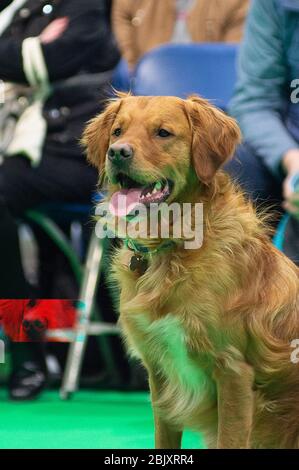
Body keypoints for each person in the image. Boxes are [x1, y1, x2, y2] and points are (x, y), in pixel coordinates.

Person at [0, 0, 119, 400]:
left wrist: (25, 54)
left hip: (67, 154)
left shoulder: (84, 9)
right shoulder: (16, 8)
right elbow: (21, 61)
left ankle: (25, 352)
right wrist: (24, 51)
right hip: (16, 149)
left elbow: (46, 63)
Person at [228, 0, 299, 265]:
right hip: (288, 152)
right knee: (231, 165)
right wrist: (291, 160)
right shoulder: (274, 4)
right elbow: (254, 103)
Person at [112, 0, 249, 70]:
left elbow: (230, 60)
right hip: (152, 82)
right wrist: (133, 62)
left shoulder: (237, 3)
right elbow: (122, 16)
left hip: (210, 87)